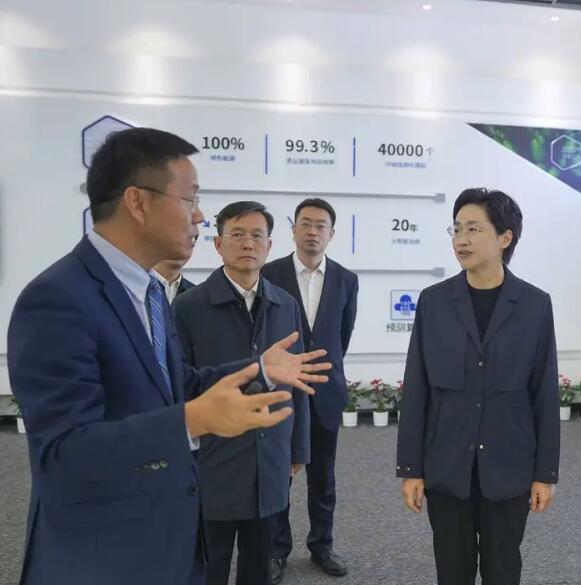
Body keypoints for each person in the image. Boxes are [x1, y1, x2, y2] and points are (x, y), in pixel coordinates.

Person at [7, 127, 331, 585]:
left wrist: (258, 369)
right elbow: (63, 455)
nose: (199, 216)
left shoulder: (151, 294)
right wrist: (192, 420)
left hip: (167, 541)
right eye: (190, 199)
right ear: (138, 203)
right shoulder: (57, 299)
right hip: (102, 557)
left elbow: (179, 383)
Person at [396, 187, 560, 585]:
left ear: (505, 238)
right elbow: (417, 388)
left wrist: (545, 473)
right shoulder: (434, 302)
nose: (461, 239)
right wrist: (411, 468)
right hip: (447, 464)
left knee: (503, 570)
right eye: (456, 229)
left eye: (474, 229)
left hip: (508, 465)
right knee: (452, 571)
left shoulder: (534, 304)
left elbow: (544, 393)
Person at [173, 201, 310, 585]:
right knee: (209, 563)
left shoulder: (285, 305)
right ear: (218, 244)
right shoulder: (189, 307)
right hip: (212, 455)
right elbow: (180, 384)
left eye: (256, 236)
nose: (248, 243)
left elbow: (298, 381)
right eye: (237, 235)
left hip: (270, 454)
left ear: (269, 245)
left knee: (259, 563)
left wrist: (297, 447)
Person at [262, 198, 358, 581]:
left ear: (331, 234)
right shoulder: (269, 273)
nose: (313, 231)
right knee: (279, 475)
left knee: (323, 477)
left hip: (324, 392)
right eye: (305, 223)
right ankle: (276, 550)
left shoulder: (346, 279)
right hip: (281, 392)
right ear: (294, 230)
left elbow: (340, 337)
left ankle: (322, 546)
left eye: (321, 225)